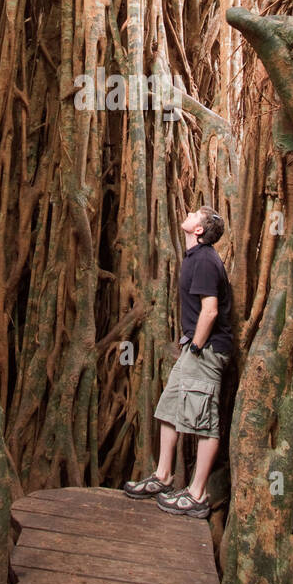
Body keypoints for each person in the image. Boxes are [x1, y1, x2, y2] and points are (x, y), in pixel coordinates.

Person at [123, 205, 233, 518]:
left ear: (199, 230)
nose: (189, 213)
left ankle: (197, 494)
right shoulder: (195, 258)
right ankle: (163, 476)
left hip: (206, 350)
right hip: (194, 348)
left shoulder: (205, 260)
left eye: (197, 213)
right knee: (169, 408)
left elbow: (210, 310)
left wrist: (196, 346)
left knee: (204, 421)